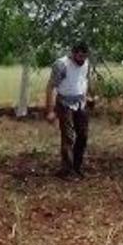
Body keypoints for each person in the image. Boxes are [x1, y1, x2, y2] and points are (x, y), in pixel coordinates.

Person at [45, 42, 94, 178]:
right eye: (78, 57)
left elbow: (85, 80)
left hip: (80, 102)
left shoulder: (86, 63)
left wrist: (89, 96)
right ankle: (66, 170)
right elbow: (51, 87)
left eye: (84, 57)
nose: (81, 60)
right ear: (73, 54)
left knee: (83, 136)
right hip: (64, 102)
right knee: (68, 137)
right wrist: (50, 110)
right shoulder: (61, 65)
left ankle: (77, 167)